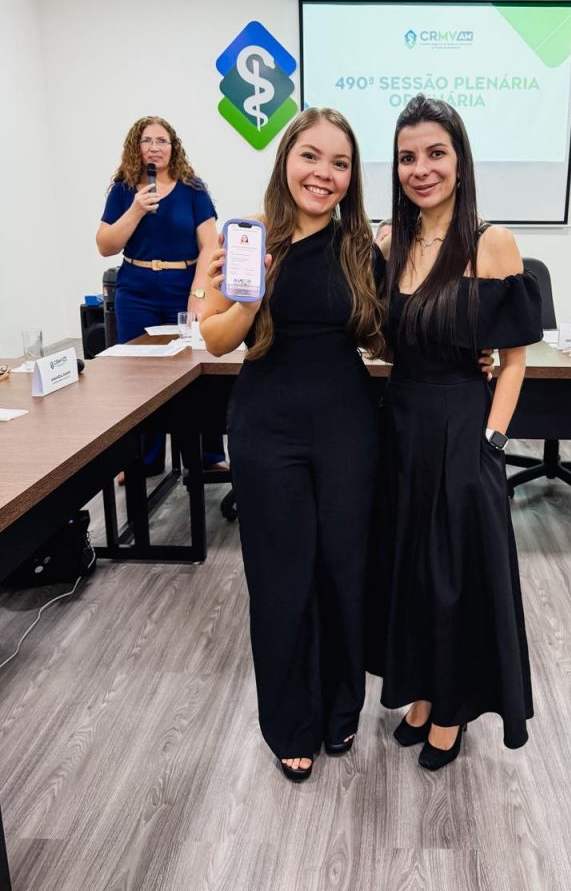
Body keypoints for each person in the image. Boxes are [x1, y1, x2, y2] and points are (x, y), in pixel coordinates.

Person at [199, 108, 386, 782]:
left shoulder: (360, 248)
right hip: (266, 426)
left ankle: (341, 707)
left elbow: (383, 338)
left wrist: (470, 350)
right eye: (311, 156)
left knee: (343, 570)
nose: (323, 174)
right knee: (281, 578)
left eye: (340, 163)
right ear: (286, 159)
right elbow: (216, 338)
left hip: (347, 426)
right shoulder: (245, 238)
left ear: (350, 178)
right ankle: (289, 722)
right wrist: (249, 298)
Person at [375, 94, 543, 770]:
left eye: (435, 154)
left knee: (454, 577)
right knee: (411, 571)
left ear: (460, 160)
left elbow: (514, 359)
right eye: (407, 157)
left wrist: (492, 442)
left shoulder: (490, 242)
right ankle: (419, 694)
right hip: (401, 427)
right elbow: (385, 341)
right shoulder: (389, 242)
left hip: (462, 429)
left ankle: (451, 711)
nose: (421, 169)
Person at [96, 115, 225, 468]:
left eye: (162, 141)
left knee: (198, 371)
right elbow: (105, 245)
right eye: (147, 140)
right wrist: (135, 210)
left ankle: (208, 455)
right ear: (136, 147)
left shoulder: (192, 189)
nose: (155, 147)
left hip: (184, 289)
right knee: (140, 378)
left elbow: (209, 245)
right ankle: (146, 459)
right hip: (136, 292)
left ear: (173, 147)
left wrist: (199, 294)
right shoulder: (123, 190)